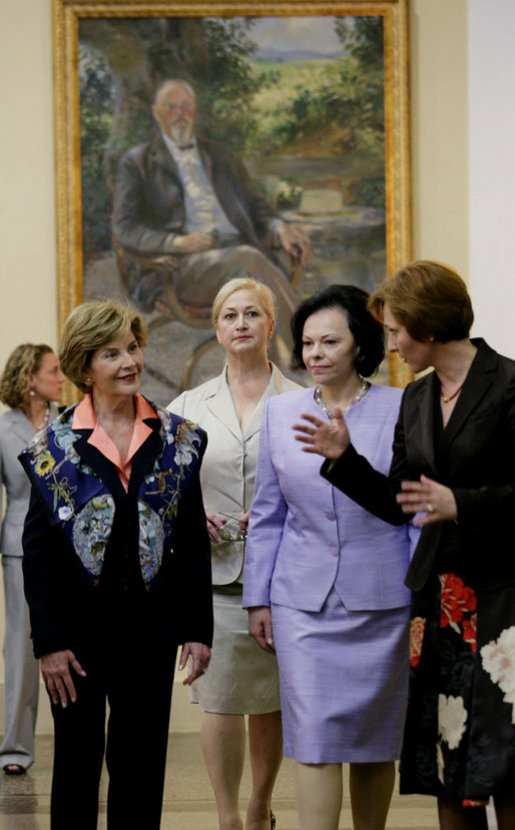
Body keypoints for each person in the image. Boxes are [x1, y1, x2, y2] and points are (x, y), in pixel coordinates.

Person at [293, 261, 515, 830]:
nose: (389, 344)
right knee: (449, 756)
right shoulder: (416, 399)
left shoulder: (510, 384)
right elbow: (399, 501)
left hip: (502, 601)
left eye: (395, 331)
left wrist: (462, 503)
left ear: (429, 326)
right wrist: (344, 460)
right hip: (438, 603)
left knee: (507, 762)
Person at [19, 300, 213, 830]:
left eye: (132, 347)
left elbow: (192, 540)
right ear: (85, 367)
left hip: (151, 635)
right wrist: (49, 644)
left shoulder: (179, 439)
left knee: (141, 768)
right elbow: (37, 555)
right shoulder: (52, 446)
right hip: (75, 643)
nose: (129, 361)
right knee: (76, 767)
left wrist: (198, 628)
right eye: (112, 353)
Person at [243, 284, 415, 830]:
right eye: (308, 342)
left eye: (329, 342)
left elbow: (411, 510)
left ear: (360, 345)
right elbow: (268, 517)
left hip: (384, 599)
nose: (315, 354)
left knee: (374, 742)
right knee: (313, 740)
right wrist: (258, 600)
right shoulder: (279, 413)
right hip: (302, 603)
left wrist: (423, 600)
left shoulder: (402, 408)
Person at [168, 277, 299, 830]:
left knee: (268, 703)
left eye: (252, 314)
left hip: (284, 579)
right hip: (213, 577)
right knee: (219, 699)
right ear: (217, 328)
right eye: (229, 315)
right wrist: (190, 517)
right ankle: (226, 817)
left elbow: (320, 487)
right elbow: (163, 491)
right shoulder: (187, 405)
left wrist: (282, 514)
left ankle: (258, 808)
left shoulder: (299, 401)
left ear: (271, 325)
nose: (241, 323)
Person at [112, 79, 310, 347]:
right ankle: (306, 349)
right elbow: (125, 228)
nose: (179, 115)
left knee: (252, 282)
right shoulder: (137, 162)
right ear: (156, 113)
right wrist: (176, 242)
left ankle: (271, 378)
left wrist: (279, 228)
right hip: (182, 267)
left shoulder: (221, 156)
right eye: (170, 107)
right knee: (250, 262)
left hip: (239, 254)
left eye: (186, 107)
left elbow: (256, 206)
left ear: (195, 111)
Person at [0, 344, 64, 775]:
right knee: (22, 650)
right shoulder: (2, 430)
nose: (61, 378)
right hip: (21, 550)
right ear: (30, 379)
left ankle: (80, 746)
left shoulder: (69, 424)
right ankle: (15, 750)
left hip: (74, 551)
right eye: (54, 371)